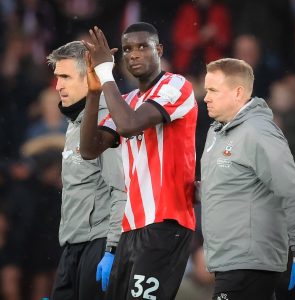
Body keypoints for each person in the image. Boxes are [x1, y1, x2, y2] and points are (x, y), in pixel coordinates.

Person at [80, 22, 197, 299]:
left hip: (166, 224)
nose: (133, 54)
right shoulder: (129, 99)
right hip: (130, 227)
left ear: (159, 49)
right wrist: (95, 91)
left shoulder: (177, 85)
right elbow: (89, 149)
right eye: (128, 49)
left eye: (143, 46)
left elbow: (130, 125)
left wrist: (105, 72)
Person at [200, 57, 295, 300]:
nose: (205, 97)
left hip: (249, 264)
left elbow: (292, 189)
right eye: (205, 90)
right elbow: (236, 184)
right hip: (229, 262)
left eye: (213, 90)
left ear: (238, 92)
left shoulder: (259, 132)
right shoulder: (216, 131)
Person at [46, 41, 126, 300]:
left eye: (66, 77)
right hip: (72, 246)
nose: (58, 86)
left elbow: (121, 189)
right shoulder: (74, 122)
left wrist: (112, 249)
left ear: (89, 77)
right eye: (57, 77)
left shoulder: (107, 121)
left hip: (98, 245)